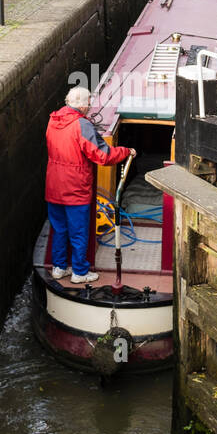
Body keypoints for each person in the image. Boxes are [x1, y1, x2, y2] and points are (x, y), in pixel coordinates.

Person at [45, 86, 135, 285]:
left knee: (59, 229)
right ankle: (79, 271)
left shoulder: (53, 120)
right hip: (75, 188)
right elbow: (102, 155)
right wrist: (126, 151)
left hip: (53, 185)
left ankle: (59, 267)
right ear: (85, 105)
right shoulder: (82, 125)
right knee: (79, 232)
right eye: (89, 104)